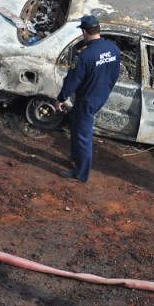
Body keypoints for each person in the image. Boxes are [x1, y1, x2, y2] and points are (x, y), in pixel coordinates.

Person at [55, 15, 120, 183]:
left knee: (83, 135)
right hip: (101, 96)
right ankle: (76, 156)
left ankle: (80, 173)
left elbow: (72, 80)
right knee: (76, 124)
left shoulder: (84, 56)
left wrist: (61, 98)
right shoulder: (112, 48)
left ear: (84, 31)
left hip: (87, 99)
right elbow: (115, 73)